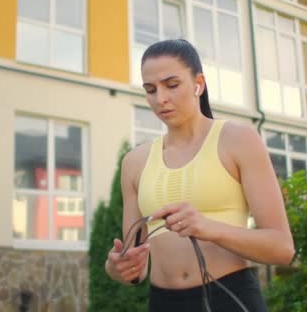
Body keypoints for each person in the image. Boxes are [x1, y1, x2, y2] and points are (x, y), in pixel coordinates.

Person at [104, 39, 294, 312]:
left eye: (172, 85)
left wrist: (208, 227)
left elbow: (282, 248)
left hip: (229, 297)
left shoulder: (238, 140)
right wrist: (116, 267)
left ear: (198, 84)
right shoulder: (135, 162)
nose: (160, 99)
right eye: (150, 89)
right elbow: (136, 266)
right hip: (163, 303)